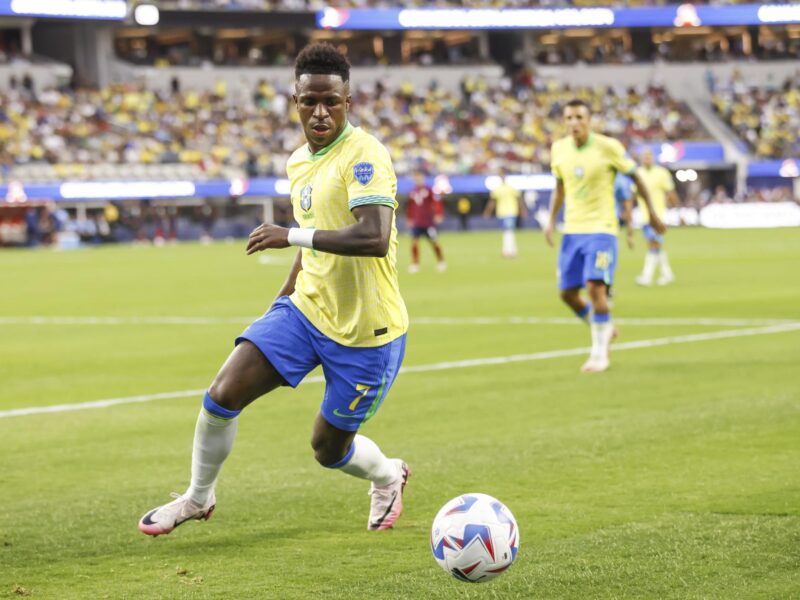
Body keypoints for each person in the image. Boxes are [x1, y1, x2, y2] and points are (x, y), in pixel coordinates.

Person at [138, 43, 410, 537]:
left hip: (367, 332)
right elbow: (315, 231)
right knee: (222, 393)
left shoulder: (366, 154)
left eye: (331, 100)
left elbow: (373, 237)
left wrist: (288, 235)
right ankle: (198, 498)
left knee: (328, 450)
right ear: (296, 101)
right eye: (310, 102)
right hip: (306, 310)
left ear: (349, 100)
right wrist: (285, 294)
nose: (320, 112)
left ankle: (389, 475)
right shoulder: (297, 162)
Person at [544, 99, 665, 373]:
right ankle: (604, 329)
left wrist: (653, 215)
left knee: (595, 287)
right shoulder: (559, 150)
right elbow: (560, 187)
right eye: (569, 117)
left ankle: (599, 354)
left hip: (602, 229)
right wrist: (551, 221)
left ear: (589, 120)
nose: (574, 122)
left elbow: (636, 178)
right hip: (572, 231)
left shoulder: (607, 147)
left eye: (579, 117)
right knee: (566, 294)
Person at [634, 149, 680, 286]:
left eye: (649, 156)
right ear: (641, 159)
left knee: (653, 244)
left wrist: (677, 209)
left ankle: (647, 276)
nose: (647, 159)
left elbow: (670, 192)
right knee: (655, 245)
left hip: (658, 216)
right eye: (644, 157)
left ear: (653, 158)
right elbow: (633, 194)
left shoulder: (661, 173)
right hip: (644, 216)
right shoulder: (637, 173)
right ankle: (667, 274)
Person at [406, 171, 446, 273]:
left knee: (434, 242)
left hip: (428, 222)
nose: (418, 180)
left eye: (419, 178)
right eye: (416, 178)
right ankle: (415, 264)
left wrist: (439, 213)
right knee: (414, 242)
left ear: (423, 179)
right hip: (417, 222)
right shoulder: (412, 191)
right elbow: (410, 206)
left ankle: (441, 261)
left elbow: (436, 202)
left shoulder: (429, 190)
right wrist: (410, 218)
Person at [483, 170, 527, 258]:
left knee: (508, 231)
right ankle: (510, 250)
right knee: (507, 231)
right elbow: (492, 202)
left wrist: (522, 210)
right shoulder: (498, 189)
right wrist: (488, 212)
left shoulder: (510, 188)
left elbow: (519, 200)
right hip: (502, 213)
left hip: (510, 212)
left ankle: (508, 251)